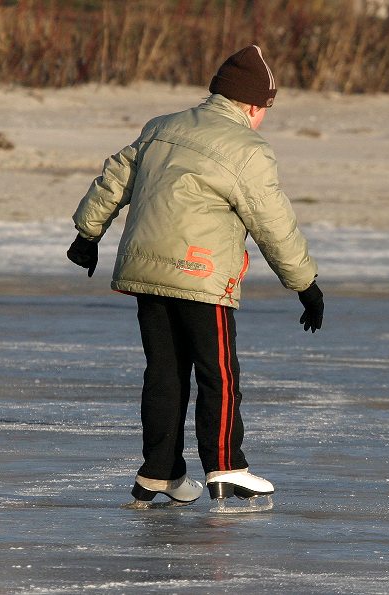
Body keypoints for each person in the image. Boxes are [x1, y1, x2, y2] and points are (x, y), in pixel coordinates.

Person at [67, 45, 324, 510]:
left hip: (146, 271)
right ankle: (226, 465)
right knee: (219, 373)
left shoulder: (161, 127)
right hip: (202, 276)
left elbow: (116, 176)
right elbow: (274, 223)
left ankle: (159, 473)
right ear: (251, 104)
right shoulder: (247, 150)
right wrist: (305, 285)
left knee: (164, 374)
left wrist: (88, 233)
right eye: (266, 108)